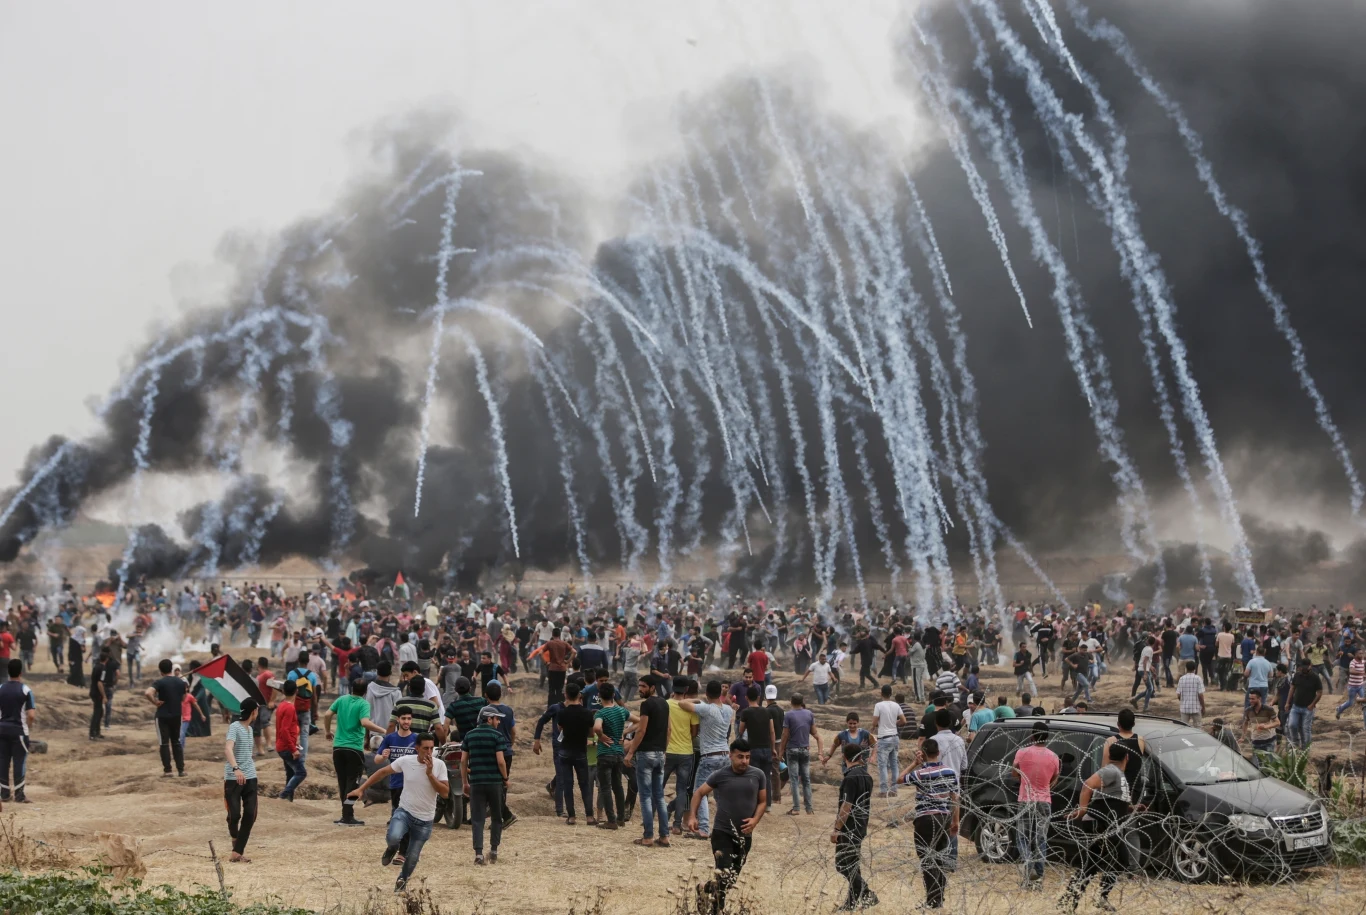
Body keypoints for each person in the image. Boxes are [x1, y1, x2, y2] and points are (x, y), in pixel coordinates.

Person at [350, 731, 449, 892]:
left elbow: (445, 792)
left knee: (412, 857)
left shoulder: (439, 765)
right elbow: (382, 772)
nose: (429, 752)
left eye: (431, 748)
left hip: (425, 820)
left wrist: (430, 775)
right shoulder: (405, 761)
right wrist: (361, 789)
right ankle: (391, 848)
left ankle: (402, 881)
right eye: (425, 748)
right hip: (405, 811)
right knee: (394, 837)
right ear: (417, 748)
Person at [685, 740, 768, 915]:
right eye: (740, 757)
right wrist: (693, 816)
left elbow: (762, 802)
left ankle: (702, 888)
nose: (744, 761)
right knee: (723, 874)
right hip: (722, 833)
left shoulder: (758, 775)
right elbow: (699, 793)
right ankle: (717, 911)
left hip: (745, 836)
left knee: (730, 879)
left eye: (747, 757)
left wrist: (755, 820)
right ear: (730, 755)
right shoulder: (720, 775)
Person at [1061, 743, 1143, 913]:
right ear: (1126, 758)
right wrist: (1082, 809)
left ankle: (1069, 901)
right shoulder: (1111, 771)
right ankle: (1099, 897)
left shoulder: (1117, 774)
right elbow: (1087, 786)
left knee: (1093, 864)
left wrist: (1132, 808)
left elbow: (1114, 800)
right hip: (1099, 821)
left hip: (1107, 822)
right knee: (1121, 859)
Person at [896, 738, 960, 910]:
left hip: (925, 819)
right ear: (938, 753)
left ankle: (932, 902)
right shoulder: (950, 772)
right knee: (939, 858)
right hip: (944, 817)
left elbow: (899, 779)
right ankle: (938, 899)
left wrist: (915, 763)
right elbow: (955, 798)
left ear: (923, 754)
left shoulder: (920, 773)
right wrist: (955, 821)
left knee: (927, 860)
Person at [323, 677, 387, 825]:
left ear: (351, 688)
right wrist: (383, 730)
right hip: (353, 749)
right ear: (365, 692)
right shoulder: (363, 703)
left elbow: (327, 714)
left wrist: (327, 731)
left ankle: (345, 814)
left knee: (343, 782)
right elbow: (365, 722)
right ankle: (347, 816)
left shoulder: (342, 699)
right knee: (352, 783)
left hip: (338, 747)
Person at [677, 679, 735, 838]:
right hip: (725, 754)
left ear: (707, 694)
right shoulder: (729, 710)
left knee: (700, 792)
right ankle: (725, 827)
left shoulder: (706, 709)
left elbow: (681, 704)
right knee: (720, 794)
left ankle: (703, 828)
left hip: (709, 756)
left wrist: (696, 699)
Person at [625, 674, 672, 847]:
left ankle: (647, 837)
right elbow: (669, 730)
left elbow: (641, 730)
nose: (640, 689)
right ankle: (664, 836)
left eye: (643, 686)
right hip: (660, 754)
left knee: (645, 797)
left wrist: (630, 752)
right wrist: (663, 750)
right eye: (640, 686)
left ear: (652, 687)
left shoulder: (647, 705)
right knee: (659, 796)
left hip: (646, 754)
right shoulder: (665, 703)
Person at [1010, 722, 1059, 889]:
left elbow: (1015, 772)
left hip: (1025, 799)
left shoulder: (1022, 753)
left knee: (1022, 836)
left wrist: (1024, 779)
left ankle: (1028, 866)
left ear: (1032, 736)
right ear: (1047, 737)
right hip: (1044, 800)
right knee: (1040, 838)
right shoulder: (1053, 756)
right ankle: (1038, 877)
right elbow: (1054, 777)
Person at [460, 705, 509, 865]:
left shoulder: (469, 735)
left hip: (476, 782)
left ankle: (479, 854)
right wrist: (505, 777)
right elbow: (501, 761)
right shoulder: (497, 736)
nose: (499, 721)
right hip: (494, 782)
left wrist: (464, 782)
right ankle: (494, 851)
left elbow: (463, 761)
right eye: (496, 718)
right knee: (496, 817)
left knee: (478, 819)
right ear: (489, 719)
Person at [831, 743, 877, 911]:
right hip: (861, 825)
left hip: (849, 827)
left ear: (845, 757)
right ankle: (850, 903)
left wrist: (837, 829)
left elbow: (846, 806)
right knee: (853, 865)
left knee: (842, 864)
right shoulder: (867, 776)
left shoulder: (850, 778)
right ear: (861, 757)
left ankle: (867, 894)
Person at [555, 681, 598, 825]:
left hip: (565, 751)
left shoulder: (562, 712)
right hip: (581, 751)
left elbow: (560, 728)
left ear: (566, 695)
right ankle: (589, 816)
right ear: (580, 695)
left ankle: (572, 816)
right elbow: (591, 733)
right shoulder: (586, 713)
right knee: (585, 784)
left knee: (568, 784)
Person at [592, 682, 634, 829]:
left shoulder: (601, 713)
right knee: (618, 787)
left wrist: (601, 736)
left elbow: (597, 727)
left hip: (605, 753)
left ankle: (611, 820)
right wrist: (624, 733)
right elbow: (639, 721)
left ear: (599, 696)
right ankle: (621, 818)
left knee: (605, 788)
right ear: (614, 696)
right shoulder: (621, 711)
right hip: (618, 753)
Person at [223, 698, 259, 864]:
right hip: (233, 778)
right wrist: (236, 768)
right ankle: (234, 839)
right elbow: (228, 748)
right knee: (234, 814)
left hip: (251, 777)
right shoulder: (234, 727)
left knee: (251, 814)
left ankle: (237, 852)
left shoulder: (250, 730)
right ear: (253, 712)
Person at [665, 677, 701, 835]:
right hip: (686, 752)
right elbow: (694, 732)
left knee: (659, 787)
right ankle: (677, 825)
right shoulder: (690, 708)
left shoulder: (666, 704)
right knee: (681, 790)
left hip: (668, 751)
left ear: (673, 688)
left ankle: (655, 819)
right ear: (686, 690)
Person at [778, 693, 821, 815]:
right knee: (806, 780)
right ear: (802, 701)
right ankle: (809, 808)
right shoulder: (809, 714)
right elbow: (813, 731)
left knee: (794, 779)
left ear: (791, 702)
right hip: (804, 749)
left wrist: (781, 752)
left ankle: (796, 808)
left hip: (792, 749)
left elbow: (785, 735)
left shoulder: (789, 715)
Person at [145, 659, 187, 777]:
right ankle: (181, 770)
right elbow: (184, 698)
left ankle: (168, 771)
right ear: (171, 669)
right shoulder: (180, 682)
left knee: (163, 743)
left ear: (161, 671)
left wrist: (155, 702)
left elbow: (148, 693)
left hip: (162, 716)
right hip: (177, 715)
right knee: (176, 742)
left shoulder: (160, 682)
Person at [0, 660, 34, 804]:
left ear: (8, 672)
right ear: (21, 672)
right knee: (19, 762)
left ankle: (5, 794)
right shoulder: (26, 690)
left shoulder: (1, 688)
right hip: (19, 731)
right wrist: (28, 727)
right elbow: (31, 715)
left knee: (2, 762)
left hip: (1, 730)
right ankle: (19, 795)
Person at [872, 684, 905, 797]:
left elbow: (875, 722)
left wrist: (877, 726)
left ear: (881, 693)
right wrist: (894, 723)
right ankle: (894, 790)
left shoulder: (878, 705)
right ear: (891, 694)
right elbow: (904, 721)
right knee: (894, 765)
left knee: (883, 766)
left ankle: (883, 790)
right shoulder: (896, 705)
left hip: (884, 738)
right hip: (894, 737)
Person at [275, 679, 305, 801]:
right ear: (296, 691)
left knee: (291, 773)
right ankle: (283, 796)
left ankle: (289, 800)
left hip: (282, 745)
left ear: (282, 691)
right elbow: (285, 730)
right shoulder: (289, 708)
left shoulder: (282, 705)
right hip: (286, 747)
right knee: (301, 773)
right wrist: (293, 749)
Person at [1287, 661, 1323, 748]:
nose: (1304, 668)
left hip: (1308, 708)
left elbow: (1319, 693)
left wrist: (1312, 704)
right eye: (1303, 666)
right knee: (1292, 725)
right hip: (1296, 706)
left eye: (1306, 666)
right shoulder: (1297, 675)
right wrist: (1288, 702)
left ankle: (1306, 748)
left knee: (1305, 729)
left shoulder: (1315, 677)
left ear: (1310, 666)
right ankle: (1295, 744)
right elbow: (1292, 688)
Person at [1242, 690, 1279, 765]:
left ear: (1259, 699)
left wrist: (1266, 726)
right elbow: (1245, 723)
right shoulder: (1248, 710)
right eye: (1250, 698)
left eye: (1253, 699)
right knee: (1257, 765)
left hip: (1268, 741)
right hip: (1256, 741)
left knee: (1269, 765)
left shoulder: (1268, 709)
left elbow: (1277, 722)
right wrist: (1243, 736)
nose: (1251, 701)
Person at [89, 647, 113, 740]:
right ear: (106, 659)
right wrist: (104, 696)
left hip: (93, 691)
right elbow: (100, 682)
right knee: (97, 712)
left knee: (99, 712)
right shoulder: (103, 668)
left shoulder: (96, 665)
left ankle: (97, 732)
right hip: (97, 693)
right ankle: (92, 733)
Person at [1176, 660, 1206, 728]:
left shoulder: (1182, 679)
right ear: (1194, 669)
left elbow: (1178, 695)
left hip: (1184, 708)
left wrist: (1183, 701)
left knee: (1183, 728)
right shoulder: (1198, 678)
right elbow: (1200, 695)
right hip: (1196, 708)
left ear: (1186, 668)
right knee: (1198, 728)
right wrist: (1203, 707)